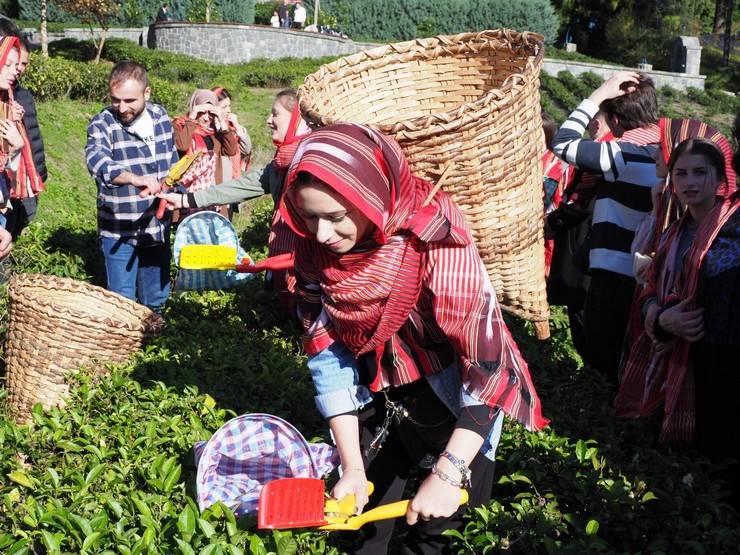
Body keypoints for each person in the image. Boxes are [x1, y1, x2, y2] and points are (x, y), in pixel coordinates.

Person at [276, 123, 548, 553]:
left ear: (371, 198)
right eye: (309, 216)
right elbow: (326, 353)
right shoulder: (313, 251)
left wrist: (449, 472)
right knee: (360, 531)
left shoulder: (434, 239)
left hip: (454, 406)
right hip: (376, 397)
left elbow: (486, 363)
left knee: (437, 537)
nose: (322, 233)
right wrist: (350, 465)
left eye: (334, 217)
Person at [616, 138, 739, 502]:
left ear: (720, 178)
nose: (690, 182)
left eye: (701, 172)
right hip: (681, 369)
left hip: (727, 371)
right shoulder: (671, 235)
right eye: (681, 173)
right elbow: (646, 294)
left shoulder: (734, 228)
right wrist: (661, 317)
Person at [552, 71, 660, 387]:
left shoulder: (621, 153)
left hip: (615, 276)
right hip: (652, 279)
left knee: (604, 365)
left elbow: (563, 142)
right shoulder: (668, 152)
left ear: (613, 120)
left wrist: (600, 92)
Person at [159, 89, 310, 305]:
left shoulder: (310, 160)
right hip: (285, 259)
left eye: (275, 114)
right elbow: (240, 187)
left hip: (307, 265)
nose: (268, 121)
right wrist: (185, 200)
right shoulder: (280, 161)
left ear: (297, 119)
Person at [85, 61, 177, 311]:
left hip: (156, 226)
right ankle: (123, 349)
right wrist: (134, 178)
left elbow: (171, 161)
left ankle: (152, 345)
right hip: (119, 229)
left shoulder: (160, 117)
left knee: (155, 300)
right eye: (116, 100)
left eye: (129, 100)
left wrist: (179, 190)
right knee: (121, 303)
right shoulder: (103, 123)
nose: (122, 107)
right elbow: (97, 161)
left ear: (147, 93)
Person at [546, 109, 615, 361]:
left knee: (584, 321)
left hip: (583, 251)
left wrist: (552, 222)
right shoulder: (619, 151)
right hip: (592, 252)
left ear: (595, 123)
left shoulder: (602, 153)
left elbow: (580, 205)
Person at [0, 22, 47, 240]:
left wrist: (17, 148)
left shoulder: (14, 101)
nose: (16, 70)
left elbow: (10, 160)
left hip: (9, 193)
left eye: (19, 64)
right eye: (8, 64)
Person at [172, 89, 239, 219]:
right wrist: (192, 118)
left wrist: (222, 122)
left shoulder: (215, 132)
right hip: (186, 193)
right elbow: (182, 146)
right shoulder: (180, 126)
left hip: (210, 194)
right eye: (202, 112)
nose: (206, 117)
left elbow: (231, 150)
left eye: (210, 113)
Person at [211, 87, 252, 182]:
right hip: (216, 180)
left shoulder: (233, 127)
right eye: (224, 107)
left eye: (229, 106)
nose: (229, 110)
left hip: (232, 179)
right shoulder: (208, 129)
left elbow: (246, 149)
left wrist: (237, 126)